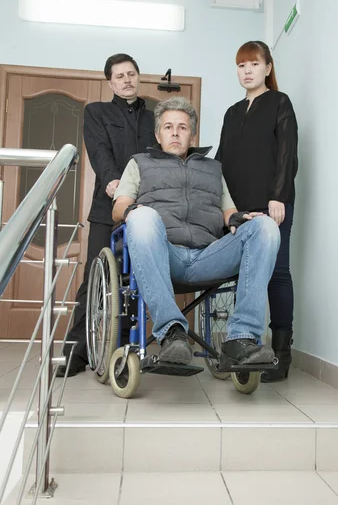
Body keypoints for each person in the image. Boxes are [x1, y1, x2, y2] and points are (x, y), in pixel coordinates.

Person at [112, 96, 280, 366]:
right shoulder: (139, 162)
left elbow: (228, 212)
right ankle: (171, 332)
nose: (175, 133)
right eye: (168, 127)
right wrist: (136, 213)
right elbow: (119, 208)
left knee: (266, 227)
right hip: (163, 255)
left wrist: (236, 217)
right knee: (140, 216)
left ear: (192, 136)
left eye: (182, 127)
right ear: (158, 134)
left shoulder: (213, 168)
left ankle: (242, 339)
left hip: (208, 256)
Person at [57, 53, 156, 377]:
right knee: (95, 278)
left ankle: (124, 353)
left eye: (131, 74)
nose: (127, 80)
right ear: (110, 82)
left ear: (138, 77)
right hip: (107, 208)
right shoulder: (97, 112)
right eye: (120, 76)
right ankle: (76, 353)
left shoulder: (154, 116)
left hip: (145, 209)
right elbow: (99, 151)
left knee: (134, 280)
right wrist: (115, 183)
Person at [215, 41, 298, 382]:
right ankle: (244, 347)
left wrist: (277, 196)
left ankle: (280, 354)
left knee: (276, 274)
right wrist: (223, 207)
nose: (246, 70)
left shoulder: (280, 103)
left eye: (253, 64)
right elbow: (221, 163)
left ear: (267, 67)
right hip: (239, 209)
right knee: (243, 277)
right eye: (241, 65)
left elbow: (287, 152)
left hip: (272, 205)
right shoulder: (232, 113)